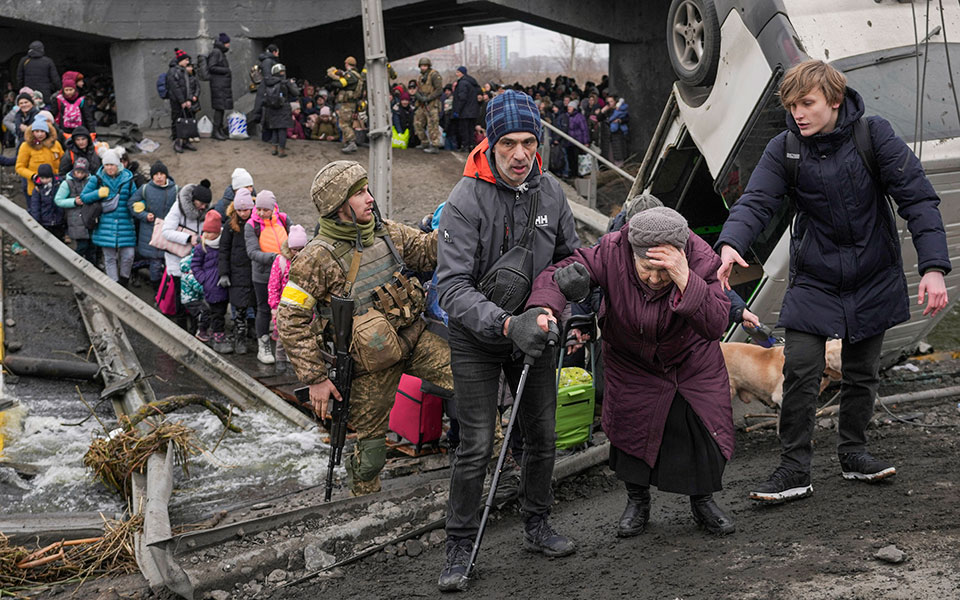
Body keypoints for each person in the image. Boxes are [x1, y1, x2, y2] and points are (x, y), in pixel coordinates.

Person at [714, 60, 951, 504]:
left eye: (807, 103)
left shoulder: (874, 135)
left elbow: (917, 198)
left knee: (861, 372)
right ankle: (793, 469)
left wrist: (933, 267)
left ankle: (854, 453)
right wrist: (731, 244)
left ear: (835, 101)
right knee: (800, 368)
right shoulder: (784, 148)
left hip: (873, 273)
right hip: (816, 278)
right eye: (791, 106)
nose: (798, 113)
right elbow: (757, 199)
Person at [435, 90, 581, 591]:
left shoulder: (553, 193)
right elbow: (450, 289)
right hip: (477, 336)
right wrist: (504, 324)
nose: (520, 154)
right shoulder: (464, 200)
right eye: (508, 144)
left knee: (542, 437)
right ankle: (458, 546)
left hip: (536, 331)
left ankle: (537, 525)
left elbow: (571, 258)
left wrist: (568, 297)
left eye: (529, 142)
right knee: (475, 445)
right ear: (490, 143)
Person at [531, 206, 736, 539]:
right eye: (647, 269)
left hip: (689, 360)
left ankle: (703, 502)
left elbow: (715, 323)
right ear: (632, 253)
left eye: (663, 272)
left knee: (700, 432)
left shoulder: (700, 257)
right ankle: (637, 502)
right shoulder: (612, 250)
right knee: (631, 430)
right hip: (631, 358)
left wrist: (686, 278)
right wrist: (545, 306)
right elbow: (558, 273)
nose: (655, 279)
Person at [277, 160, 453, 496]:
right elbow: (290, 319)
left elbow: (428, 251)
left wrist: (458, 222)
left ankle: (494, 469)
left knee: (473, 383)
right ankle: (362, 506)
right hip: (369, 366)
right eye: (359, 193)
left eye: (367, 189)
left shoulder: (386, 232)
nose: (369, 198)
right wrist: (315, 378)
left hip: (413, 339)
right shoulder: (316, 258)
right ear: (338, 205)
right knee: (371, 454)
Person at [80, 149, 136, 285]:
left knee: (128, 255)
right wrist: (98, 193)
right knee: (109, 257)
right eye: (106, 165)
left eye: (112, 165)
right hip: (105, 224)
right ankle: (114, 284)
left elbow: (135, 197)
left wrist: (139, 205)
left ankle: (124, 280)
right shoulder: (97, 179)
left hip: (125, 223)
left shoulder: (128, 179)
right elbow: (83, 197)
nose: (109, 168)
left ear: (118, 165)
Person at [245, 190, 289, 363]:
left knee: (286, 308)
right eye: (259, 209)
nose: (262, 213)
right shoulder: (252, 225)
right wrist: (276, 258)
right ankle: (263, 346)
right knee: (263, 308)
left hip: (285, 273)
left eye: (265, 209)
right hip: (262, 275)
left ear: (273, 208)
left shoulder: (284, 220)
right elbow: (252, 252)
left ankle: (284, 347)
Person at [162, 180, 212, 323]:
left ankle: (195, 324)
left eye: (205, 205)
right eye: (201, 204)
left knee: (194, 293)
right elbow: (166, 231)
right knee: (180, 293)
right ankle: (181, 323)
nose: (203, 207)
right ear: (193, 200)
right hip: (177, 258)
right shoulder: (178, 208)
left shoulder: (205, 210)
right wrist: (188, 238)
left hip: (194, 260)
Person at [218, 188, 256, 354]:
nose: (242, 213)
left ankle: (253, 330)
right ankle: (240, 336)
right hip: (237, 272)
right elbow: (224, 249)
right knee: (239, 308)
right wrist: (224, 273)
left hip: (254, 269)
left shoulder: (257, 223)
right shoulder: (230, 225)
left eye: (245, 210)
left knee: (255, 305)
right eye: (239, 210)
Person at [130, 161, 178, 291]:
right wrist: (144, 215)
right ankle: (157, 289)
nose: (159, 177)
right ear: (152, 176)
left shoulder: (175, 190)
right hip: (149, 232)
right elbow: (132, 204)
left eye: (162, 174)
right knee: (156, 262)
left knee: (163, 262)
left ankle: (162, 289)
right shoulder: (145, 189)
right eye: (156, 174)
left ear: (166, 175)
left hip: (168, 232)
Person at [267, 224, 307, 374]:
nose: (297, 253)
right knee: (281, 336)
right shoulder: (281, 262)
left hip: (302, 305)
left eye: (301, 249)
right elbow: (273, 286)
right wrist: (274, 306)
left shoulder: (308, 262)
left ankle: (293, 361)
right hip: (283, 307)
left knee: (298, 335)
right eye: (294, 249)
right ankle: (281, 359)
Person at [191, 211, 229, 343]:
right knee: (216, 311)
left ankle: (211, 329)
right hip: (211, 285)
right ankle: (218, 333)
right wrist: (204, 279)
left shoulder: (224, 244)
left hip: (224, 283)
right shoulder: (201, 248)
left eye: (210, 232)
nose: (206, 235)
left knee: (221, 310)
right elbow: (195, 265)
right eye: (205, 232)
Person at [54, 156, 97, 263]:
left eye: (83, 173)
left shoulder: (92, 181)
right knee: (82, 246)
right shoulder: (67, 183)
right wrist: (74, 202)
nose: (80, 175)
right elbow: (58, 200)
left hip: (90, 218)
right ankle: (73, 264)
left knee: (92, 247)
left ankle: (92, 268)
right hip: (76, 219)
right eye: (77, 172)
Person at [16, 115, 63, 198]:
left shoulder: (55, 144)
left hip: (56, 188)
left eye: (42, 131)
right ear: (32, 132)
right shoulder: (26, 146)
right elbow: (19, 167)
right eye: (36, 131)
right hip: (36, 189)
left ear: (47, 132)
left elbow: (63, 162)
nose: (39, 134)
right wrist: (34, 176)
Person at [261, 64, 299, 158]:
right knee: (282, 130)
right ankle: (282, 150)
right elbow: (296, 93)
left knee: (275, 129)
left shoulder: (269, 82)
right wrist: (292, 84)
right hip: (283, 107)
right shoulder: (285, 82)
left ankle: (274, 149)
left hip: (271, 108)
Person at [327, 56, 362, 154]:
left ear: (347, 64)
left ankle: (351, 142)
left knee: (343, 124)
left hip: (347, 104)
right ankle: (347, 143)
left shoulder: (351, 75)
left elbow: (342, 84)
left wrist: (333, 81)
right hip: (351, 104)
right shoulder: (357, 75)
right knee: (348, 123)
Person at [166, 48, 197, 153]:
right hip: (176, 102)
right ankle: (177, 142)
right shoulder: (173, 72)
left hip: (185, 101)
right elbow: (175, 88)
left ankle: (186, 141)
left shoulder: (183, 71)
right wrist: (182, 101)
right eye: (186, 60)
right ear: (181, 60)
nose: (188, 62)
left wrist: (188, 100)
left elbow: (188, 87)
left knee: (186, 120)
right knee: (177, 121)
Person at [413, 57, 443, 154]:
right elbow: (418, 89)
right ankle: (424, 142)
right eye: (422, 66)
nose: (423, 68)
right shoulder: (421, 77)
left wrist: (428, 98)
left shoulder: (434, 75)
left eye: (425, 66)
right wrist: (418, 96)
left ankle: (434, 145)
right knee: (417, 123)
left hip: (432, 104)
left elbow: (439, 90)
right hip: (422, 103)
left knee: (432, 125)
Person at [51, 71, 96, 136]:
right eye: (66, 90)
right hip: (64, 130)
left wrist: (92, 131)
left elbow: (88, 116)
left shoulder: (81, 99)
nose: (68, 92)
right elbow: (54, 113)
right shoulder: (58, 99)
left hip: (80, 129)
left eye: (71, 90)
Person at [28, 163, 65, 240]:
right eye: (42, 178)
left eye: (47, 178)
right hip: (45, 221)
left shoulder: (59, 185)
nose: (45, 180)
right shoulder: (38, 189)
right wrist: (36, 221)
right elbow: (35, 206)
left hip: (58, 220)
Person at [207, 33, 233, 141]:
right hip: (218, 85)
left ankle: (220, 130)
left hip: (221, 85)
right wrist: (226, 70)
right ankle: (216, 131)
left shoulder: (220, 52)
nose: (229, 45)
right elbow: (211, 67)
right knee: (219, 108)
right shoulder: (216, 52)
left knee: (221, 108)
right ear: (223, 43)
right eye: (227, 43)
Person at [452, 66, 480, 153]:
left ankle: (465, 146)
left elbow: (462, 98)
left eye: (457, 72)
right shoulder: (472, 82)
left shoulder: (462, 83)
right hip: (473, 111)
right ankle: (471, 145)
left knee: (464, 130)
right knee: (471, 130)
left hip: (465, 112)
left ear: (461, 73)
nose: (456, 74)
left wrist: (457, 110)